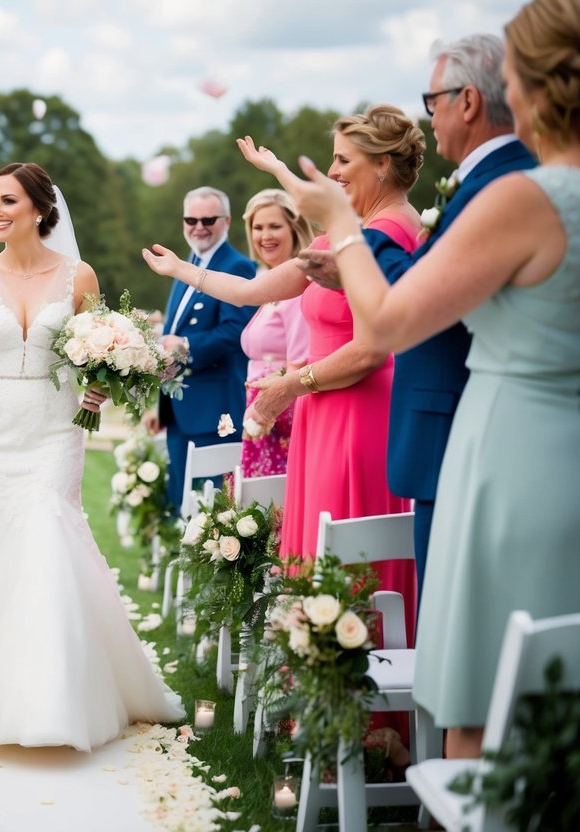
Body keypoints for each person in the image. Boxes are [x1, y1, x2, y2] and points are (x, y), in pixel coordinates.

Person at [284, 0, 580, 760]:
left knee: (483, 702)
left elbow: (385, 326)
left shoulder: (521, 195)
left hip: (510, 450)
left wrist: (339, 227)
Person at [0, 162, 184, 759]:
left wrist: (102, 383)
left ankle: (52, 698)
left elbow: (98, 351)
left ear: (41, 210)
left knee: (47, 534)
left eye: (8, 201)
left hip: (55, 425)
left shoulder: (79, 275)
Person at [142, 105, 423, 639]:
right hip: (325, 410)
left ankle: (365, 709)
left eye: (343, 161)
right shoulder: (350, 233)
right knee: (317, 554)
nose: (332, 172)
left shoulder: (385, 234)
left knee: (351, 557)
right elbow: (252, 291)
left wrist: (292, 385)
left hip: (357, 411)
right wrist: (181, 270)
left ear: (383, 166)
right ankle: (319, 694)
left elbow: (371, 348)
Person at [301, 35, 536, 601]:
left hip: (454, 426)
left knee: (450, 614)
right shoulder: (485, 182)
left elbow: (404, 302)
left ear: (468, 101)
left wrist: (349, 233)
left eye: (432, 101)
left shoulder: (498, 186)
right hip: (455, 426)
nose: (428, 116)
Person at [143, 187, 255, 506]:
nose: (199, 226)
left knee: (212, 515)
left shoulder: (238, 266)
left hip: (214, 411)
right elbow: (175, 330)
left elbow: (236, 331)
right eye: (191, 219)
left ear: (227, 221)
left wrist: (186, 346)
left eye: (208, 219)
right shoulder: (186, 265)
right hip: (179, 409)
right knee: (184, 508)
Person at [237, 189, 313, 477]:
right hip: (262, 420)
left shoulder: (296, 289)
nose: (264, 236)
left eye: (274, 226)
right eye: (258, 227)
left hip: (280, 421)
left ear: (294, 229)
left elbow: (299, 362)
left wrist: (264, 412)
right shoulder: (269, 286)